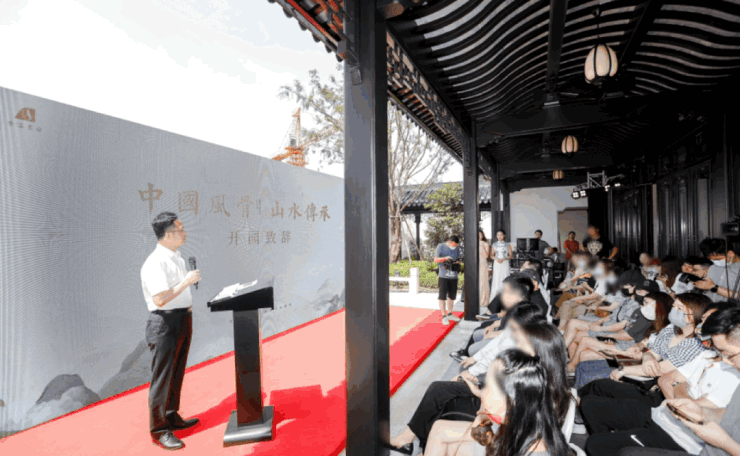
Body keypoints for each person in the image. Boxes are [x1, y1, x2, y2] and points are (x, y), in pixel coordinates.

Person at [582, 304, 740, 456]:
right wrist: (681, 392)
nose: (727, 360)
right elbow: (666, 380)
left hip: (678, 434)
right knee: (592, 403)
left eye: (727, 353)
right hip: (662, 412)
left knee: (600, 444)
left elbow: (689, 406)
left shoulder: (731, 374)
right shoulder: (706, 354)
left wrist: (680, 389)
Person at [424, 349, 573, 456]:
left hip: (501, 441)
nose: (483, 392)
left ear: (512, 399)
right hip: (503, 438)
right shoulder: (530, 418)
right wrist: (483, 414)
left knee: (440, 433)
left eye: (488, 386)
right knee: (440, 431)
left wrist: (483, 415)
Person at [141, 212, 201, 450]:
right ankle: (158, 430)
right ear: (167, 235)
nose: (184, 233)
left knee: (176, 371)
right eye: (180, 229)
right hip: (164, 322)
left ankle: (171, 415)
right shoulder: (155, 262)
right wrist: (186, 281)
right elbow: (160, 298)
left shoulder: (176, 257)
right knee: (163, 377)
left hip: (182, 318)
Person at [694, 238, 740, 303]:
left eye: (718, 259)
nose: (716, 262)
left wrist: (714, 288)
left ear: (730, 253)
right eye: (712, 260)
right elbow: (707, 288)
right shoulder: (713, 267)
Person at [434, 235, 463, 325]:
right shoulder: (441, 246)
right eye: (454, 245)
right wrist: (446, 258)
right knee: (442, 296)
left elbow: (458, 259)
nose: (455, 247)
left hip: (454, 276)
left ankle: (450, 313)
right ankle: (444, 316)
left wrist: (457, 262)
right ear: (450, 242)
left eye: (457, 245)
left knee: (451, 296)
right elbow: (435, 260)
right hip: (443, 276)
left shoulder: (457, 248)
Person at [490, 230, 513, 299]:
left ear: (504, 235)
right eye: (498, 235)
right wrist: (496, 259)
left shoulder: (508, 245)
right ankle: (496, 297)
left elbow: (511, 255)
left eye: (501, 235)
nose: (499, 236)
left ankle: (506, 296)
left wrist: (504, 259)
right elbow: (491, 255)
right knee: (497, 278)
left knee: (505, 277)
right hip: (497, 263)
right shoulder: (494, 244)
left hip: (505, 263)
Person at [478, 229, 492, 310]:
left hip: (483, 263)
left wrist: (483, 247)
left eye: (480, 234)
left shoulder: (485, 244)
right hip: (475, 264)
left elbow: (487, 256)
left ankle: (483, 300)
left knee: (483, 282)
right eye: (478, 234)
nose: (479, 236)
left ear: (482, 235)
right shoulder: (474, 243)